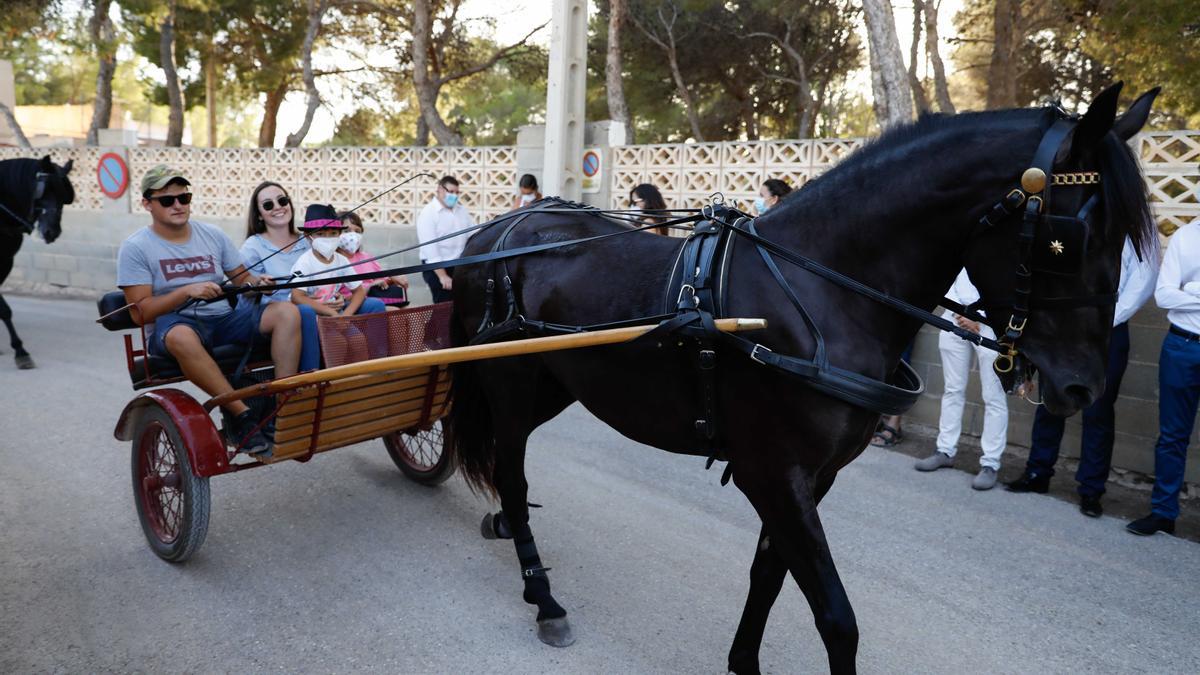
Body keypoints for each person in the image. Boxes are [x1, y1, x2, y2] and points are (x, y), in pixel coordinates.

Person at [116, 165, 301, 456]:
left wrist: (258, 283)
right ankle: (243, 415)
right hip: (175, 325)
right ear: (147, 204)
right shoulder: (136, 248)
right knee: (181, 337)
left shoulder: (212, 235)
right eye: (167, 200)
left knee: (287, 313)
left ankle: (283, 407)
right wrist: (186, 291)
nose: (178, 205)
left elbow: (242, 279)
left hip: (224, 319)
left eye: (183, 198)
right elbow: (140, 313)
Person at [1007, 236, 1158, 517]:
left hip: (1108, 331)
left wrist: (1101, 322)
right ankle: (1037, 472)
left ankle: (1091, 490)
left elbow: (1143, 282)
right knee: (1050, 400)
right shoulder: (1079, 216)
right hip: (1064, 326)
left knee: (1098, 411)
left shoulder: (1137, 230)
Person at [1127, 221, 1199, 536]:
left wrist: (1193, 289)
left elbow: (1178, 293)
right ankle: (1163, 512)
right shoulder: (1186, 237)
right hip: (1181, 346)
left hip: (1184, 344)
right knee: (1172, 435)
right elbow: (1165, 296)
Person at [913, 268, 1008, 490]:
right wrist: (959, 313)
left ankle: (990, 463)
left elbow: (1006, 284)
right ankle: (945, 450)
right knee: (952, 389)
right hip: (954, 317)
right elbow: (950, 272)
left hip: (991, 324)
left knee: (994, 396)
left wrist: (980, 316)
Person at [240, 181, 321, 372]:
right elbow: (243, 293)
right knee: (305, 312)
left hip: (319, 304)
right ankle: (310, 379)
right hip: (279, 315)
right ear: (259, 214)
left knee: (372, 305)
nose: (278, 207)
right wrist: (259, 284)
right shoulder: (253, 246)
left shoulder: (308, 241)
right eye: (268, 205)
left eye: (282, 201)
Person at [290, 204, 386, 317]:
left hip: (337, 314)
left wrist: (345, 315)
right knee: (306, 312)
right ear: (308, 236)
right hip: (312, 315)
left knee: (375, 306)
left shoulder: (342, 260)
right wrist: (330, 312)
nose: (327, 239)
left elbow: (359, 291)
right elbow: (297, 296)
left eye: (333, 233)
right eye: (320, 234)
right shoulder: (305, 262)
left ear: (339, 234)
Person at [415, 175, 474, 303]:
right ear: (440, 190)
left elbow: (472, 233)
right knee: (443, 308)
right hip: (437, 268)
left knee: (461, 306)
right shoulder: (428, 213)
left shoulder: (461, 210)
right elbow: (430, 249)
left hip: (458, 266)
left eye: (457, 192)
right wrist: (442, 276)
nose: (454, 195)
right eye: (451, 192)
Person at [338, 210, 409, 307]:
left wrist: (393, 278)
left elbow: (382, 282)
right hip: (353, 307)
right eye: (346, 231)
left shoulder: (367, 258)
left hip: (378, 302)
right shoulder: (333, 261)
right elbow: (339, 298)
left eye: (357, 231)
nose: (353, 235)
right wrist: (369, 287)